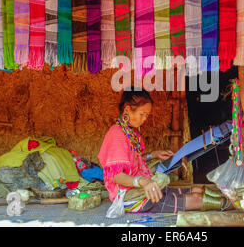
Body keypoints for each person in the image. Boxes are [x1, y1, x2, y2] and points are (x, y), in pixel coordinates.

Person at [98, 88, 233, 213]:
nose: (145, 119)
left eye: (147, 115)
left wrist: (153, 155)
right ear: (127, 109)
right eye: (142, 114)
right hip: (131, 198)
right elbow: (116, 176)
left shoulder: (131, 132)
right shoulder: (117, 134)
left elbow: (132, 161)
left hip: (143, 188)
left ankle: (228, 198)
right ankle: (231, 204)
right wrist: (144, 182)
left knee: (197, 189)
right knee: (196, 199)